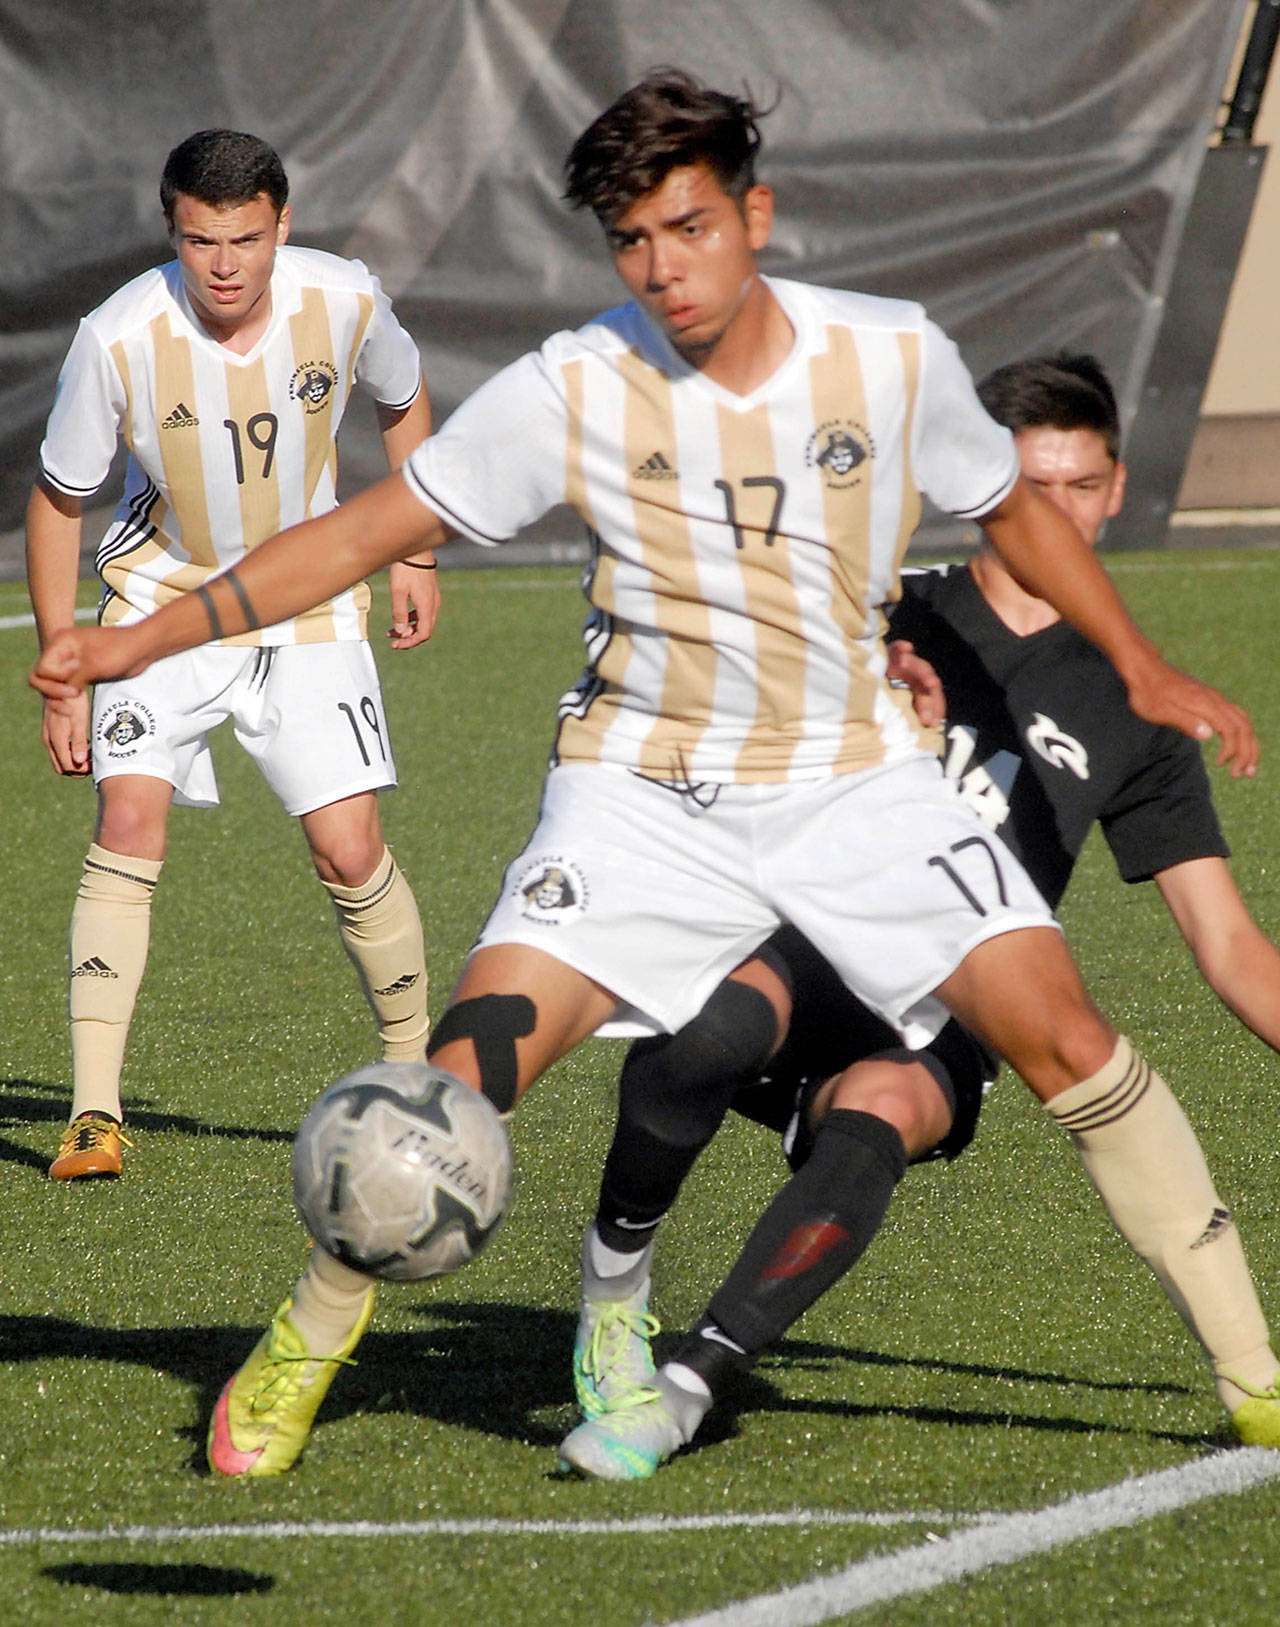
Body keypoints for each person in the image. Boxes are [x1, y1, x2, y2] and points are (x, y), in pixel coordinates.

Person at [29, 73, 1268, 1483]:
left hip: (855, 777)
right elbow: (357, 533)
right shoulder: (578, 380)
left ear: (757, 213)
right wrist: (138, 632)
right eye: (631, 238)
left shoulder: (890, 356)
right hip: (640, 787)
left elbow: (1007, 513)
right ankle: (307, 1338)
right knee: (462, 1072)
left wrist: (1141, 660)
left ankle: (1254, 1373)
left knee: (1067, 1035)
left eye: (688, 226)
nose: (663, 267)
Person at [560, 351, 1280, 1478]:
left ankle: (685, 1390)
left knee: (886, 1107)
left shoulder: (1135, 704)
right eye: (1028, 486)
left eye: (1080, 485)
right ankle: (616, 1281)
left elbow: (1228, 944)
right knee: (703, 1037)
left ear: (1116, 487)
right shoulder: (887, 609)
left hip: (946, 1003)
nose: (1058, 510)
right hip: (799, 940)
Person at [26, 129, 439, 1182]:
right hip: (158, 606)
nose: (222, 263)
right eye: (200, 239)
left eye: (244, 239)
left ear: (281, 226)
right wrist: (67, 663)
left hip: (307, 605)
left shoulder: (342, 299)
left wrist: (414, 550)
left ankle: (414, 1079)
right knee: (130, 817)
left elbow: (401, 399)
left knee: (350, 849)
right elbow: (58, 500)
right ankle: (92, 1113)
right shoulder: (117, 336)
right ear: (173, 230)